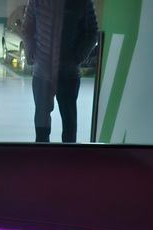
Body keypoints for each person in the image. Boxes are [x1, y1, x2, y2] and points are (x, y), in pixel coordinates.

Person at [23, 0, 98, 143]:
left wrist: (78, 56)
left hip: (68, 73)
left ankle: (68, 156)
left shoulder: (82, 2)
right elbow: (28, 28)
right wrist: (31, 51)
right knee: (41, 125)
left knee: (69, 124)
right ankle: (42, 155)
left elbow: (92, 32)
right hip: (42, 73)